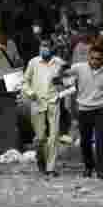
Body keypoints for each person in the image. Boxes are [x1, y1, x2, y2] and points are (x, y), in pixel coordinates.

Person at [22, 38, 67, 177]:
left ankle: (51, 167)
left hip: (54, 102)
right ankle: (41, 159)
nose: (44, 49)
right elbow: (24, 82)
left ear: (52, 48)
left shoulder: (59, 63)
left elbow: (69, 82)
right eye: (42, 46)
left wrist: (61, 90)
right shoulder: (33, 62)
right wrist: (30, 93)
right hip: (37, 102)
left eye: (47, 46)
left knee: (54, 135)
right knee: (40, 137)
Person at [71, 45, 103, 179]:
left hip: (100, 109)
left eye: (98, 59)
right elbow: (65, 73)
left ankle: (102, 170)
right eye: (92, 58)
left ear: (102, 59)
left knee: (100, 139)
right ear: (88, 57)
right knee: (85, 141)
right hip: (83, 109)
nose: (95, 61)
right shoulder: (79, 68)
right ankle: (88, 167)